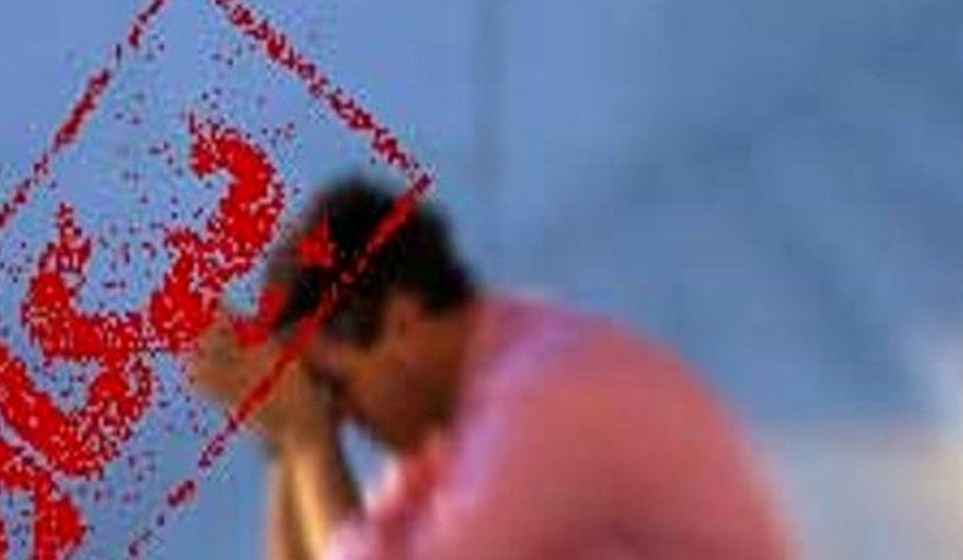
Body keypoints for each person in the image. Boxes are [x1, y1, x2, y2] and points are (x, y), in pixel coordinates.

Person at [187, 176, 797, 560]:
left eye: (334, 386)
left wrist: (307, 440)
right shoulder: (468, 405)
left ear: (401, 323)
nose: (340, 416)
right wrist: (286, 441)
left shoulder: (540, 397)